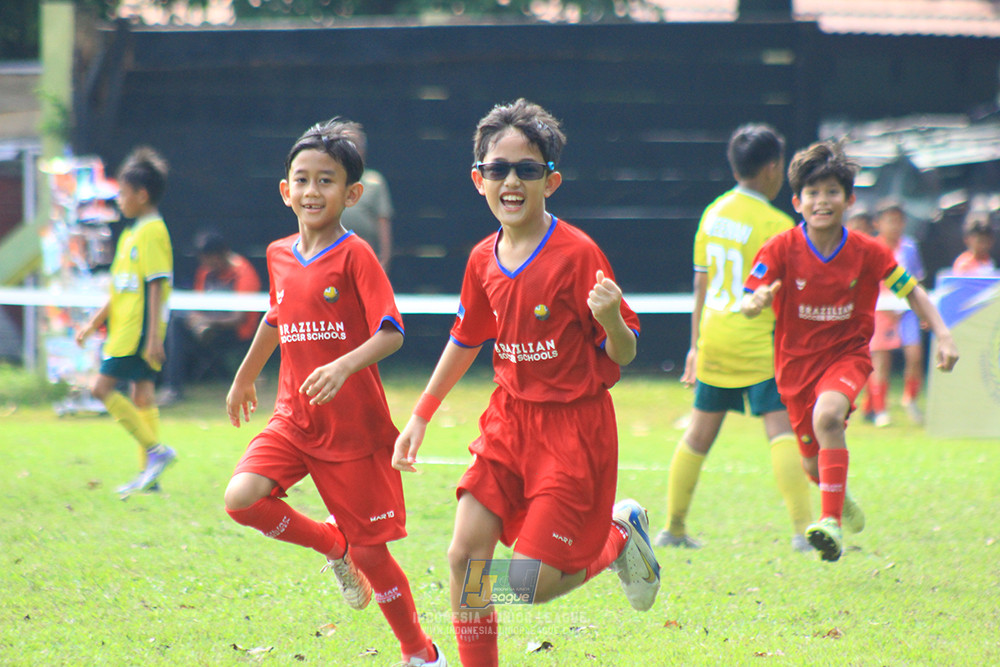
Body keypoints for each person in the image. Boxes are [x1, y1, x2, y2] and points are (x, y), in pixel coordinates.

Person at [391, 99, 660, 667]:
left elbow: (624, 352)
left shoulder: (577, 254)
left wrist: (612, 321)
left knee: (526, 584)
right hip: (508, 423)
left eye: (527, 169)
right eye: (498, 169)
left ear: (550, 181)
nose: (511, 181)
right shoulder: (481, 259)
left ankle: (619, 536)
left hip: (572, 431)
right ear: (479, 179)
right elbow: (466, 338)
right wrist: (420, 415)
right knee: (464, 558)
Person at [222, 119, 444, 667]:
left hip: (352, 430)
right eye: (302, 179)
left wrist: (344, 365)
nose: (312, 190)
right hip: (294, 419)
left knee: (373, 554)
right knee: (241, 498)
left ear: (352, 194)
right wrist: (246, 375)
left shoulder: (355, 255)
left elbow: (392, 332)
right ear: (285, 190)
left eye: (326, 180)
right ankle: (331, 544)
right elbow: (276, 317)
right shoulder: (278, 254)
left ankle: (420, 652)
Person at [742, 140, 959, 562]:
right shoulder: (781, 248)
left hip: (847, 356)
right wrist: (754, 302)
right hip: (794, 369)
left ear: (850, 199)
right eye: (813, 193)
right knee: (811, 464)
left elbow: (912, 291)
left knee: (828, 417)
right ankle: (837, 496)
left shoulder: (868, 251)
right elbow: (750, 296)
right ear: (797, 202)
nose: (822, 201)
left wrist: (944, 334)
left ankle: (830, 523)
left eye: (832, 192)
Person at [657, 123, 813, 553]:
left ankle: (673, 528)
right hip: (757, 341)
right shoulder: (777, 224)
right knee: (780, 430)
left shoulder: (713, 213)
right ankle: (802, 532)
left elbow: (701, 285)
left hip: (715, 337)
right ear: (773, 168)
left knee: (698, 434)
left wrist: (694, 345)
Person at [75, 146, 177, 497]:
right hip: (125, 329)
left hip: (137, 333)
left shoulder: (153, 231)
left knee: (100, 389)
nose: (118, 200)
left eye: (122, 193)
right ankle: (151, 475)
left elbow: (156, 284)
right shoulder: (130, 234)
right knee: (142, 396)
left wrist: (153, 337)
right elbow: (119, 291)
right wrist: (93, 323)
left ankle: (156, 452)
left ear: (141, 195)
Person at [158, 230, 262, 406]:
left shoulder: (243, 273)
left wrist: (208, 322)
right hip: (205, 326)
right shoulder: (205, 271)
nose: (206, 264)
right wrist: (195, 320)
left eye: (210, 259)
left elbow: (239, 318)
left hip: (235, 333)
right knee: (176, 322)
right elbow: (199, 304)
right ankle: (169, 385)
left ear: (222, 254)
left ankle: (173, 387)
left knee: (184, 326)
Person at [864, 199, 928, 427]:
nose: (894, 225)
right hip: (880, 310)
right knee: (880, 361)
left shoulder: (909, 248)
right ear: (878, 223)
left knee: (915, 355)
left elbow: (916, 281)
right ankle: (880, 408)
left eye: (898, 221)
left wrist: (923, 311)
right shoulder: (873, 247)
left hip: (906, 310)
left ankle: (910, 399)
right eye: (889, 221)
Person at [339, 124, 394, 271]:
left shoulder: (375, 182)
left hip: (366, 257)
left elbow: (383, 221)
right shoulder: (328, 182)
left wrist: (384, 259)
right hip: (332, 254)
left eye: (356, 146)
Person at [952, 209, 996, 275]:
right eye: (980, 241)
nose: (983, 246)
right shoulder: (964, 264)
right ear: (967, 240)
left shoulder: (989, 261)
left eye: (986, 241)